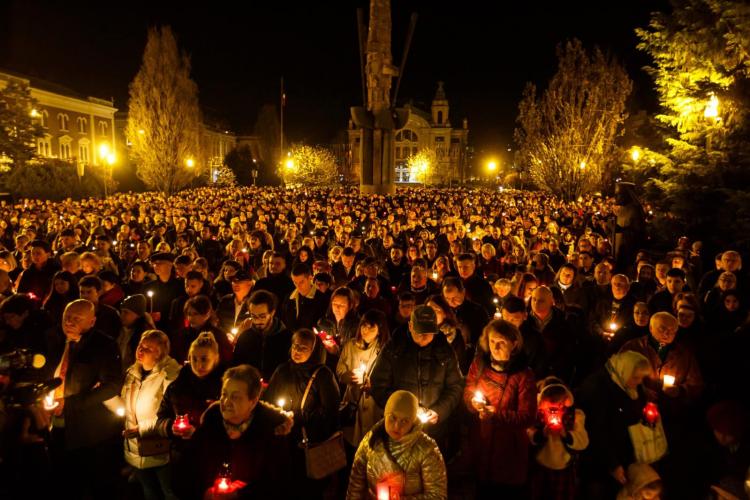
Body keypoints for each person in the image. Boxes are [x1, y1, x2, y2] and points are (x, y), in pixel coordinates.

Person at [42, 299, 123, 498]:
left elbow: (111, 386)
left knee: (87, 483)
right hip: (53, 424)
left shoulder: (104, 346)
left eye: (77, 319)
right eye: (67, 317)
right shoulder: (53, 338)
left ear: (92, 322)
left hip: (88, 431)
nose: (69, 322)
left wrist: (69, 404)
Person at [174, 364, 292, 499]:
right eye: (224, 394)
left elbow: (279, 484)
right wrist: (205, 493)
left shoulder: (272, 431)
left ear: (253, 402)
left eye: (235, 397)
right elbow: (183, 473)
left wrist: (239, 494)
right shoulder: (210, 425)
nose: (226, 402)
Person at [370, 305, 464, 448]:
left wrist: (439, 411)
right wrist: (403, 410)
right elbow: (378, 384)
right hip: (400, 428)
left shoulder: (445, 351)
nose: (424, 336)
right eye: (420, 331)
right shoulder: (394, 348)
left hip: (434, 432)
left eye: (429, 332)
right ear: (410, 326)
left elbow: (455, 386)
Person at [464, 319, 537, 499]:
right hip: (481, 441)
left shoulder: (523, 375)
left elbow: (527, 416)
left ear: (514, 344)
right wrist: (472, 403)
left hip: (508, 451)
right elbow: (468, 389)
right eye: (492, 341)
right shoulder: (479, 364)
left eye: (501, 342)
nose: (495, 347)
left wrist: (495, 414)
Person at [263, 328, 340, 498]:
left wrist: (299, 417)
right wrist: (278, 416)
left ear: (313, 350)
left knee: (307, 489)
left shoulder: (323, 375)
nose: (297, 351)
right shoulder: (282, 370)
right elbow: (268, 401)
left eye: (303, 348)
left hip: (310, 442)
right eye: (295, 346)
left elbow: (330, 411)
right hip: (284, 441)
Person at [576, 350, 655, 499]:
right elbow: (596, 430)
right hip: (598, 461)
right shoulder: (597, 387)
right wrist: (612, 464)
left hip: (620, 457)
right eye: (636, 377)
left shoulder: (627, 383)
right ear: (624, 369)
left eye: (641, 378)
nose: (639, 382)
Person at [346, 390, 447, 499]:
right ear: (385, 414)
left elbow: (437, 495)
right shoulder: (370, 441)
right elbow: (355, 486)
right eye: (392, 417)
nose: (397, 426)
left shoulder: (427, 449)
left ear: (413, 422)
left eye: (404, 421)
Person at [121, 330, 180, 500]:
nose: (141, 350)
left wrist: (143, 428)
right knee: (148, 491)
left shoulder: (169, 374)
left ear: (160, 354)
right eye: (141, 345)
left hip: (159, 446)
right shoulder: (132, 373)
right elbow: (126, 404)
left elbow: (169, 412)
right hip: (136, 447)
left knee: (168, 491)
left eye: (149, 348)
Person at [156, 332, 223, 446]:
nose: (198, 365)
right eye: (194, 359)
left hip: (211, 452)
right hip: (181, 453)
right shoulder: (176, 387)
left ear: (215, 358)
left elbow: (230, 426)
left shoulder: (224, 389)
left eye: (204, 359)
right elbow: (161, 418)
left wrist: (198, 433)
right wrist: (170, 427)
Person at [527, 377, 589, 500]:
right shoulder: (535, 415)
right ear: (543, 402)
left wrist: (566, 435)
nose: (554, 412)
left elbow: (583, 441)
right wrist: (542, 434)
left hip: (564, 468)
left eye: (559, 406)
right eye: (550, 407)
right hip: (541, 467)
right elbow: (528, 434)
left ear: (565, 401)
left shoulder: (575, 416)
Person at [337, 309, 389, 449]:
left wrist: (371, 383)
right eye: (364, 326)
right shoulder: (350, 346)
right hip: (353, 401)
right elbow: (340, 369)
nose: (366, 330)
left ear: (379, 330)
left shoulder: (384, 350)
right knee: (352, 443)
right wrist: (349, 376)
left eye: (371, 327)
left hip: (373, 405)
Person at [232, 290, 293, 381]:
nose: (257, 320)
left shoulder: (287, 337)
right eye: (254, 316)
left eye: (262, 316)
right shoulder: (245, 337)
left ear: (272, 312)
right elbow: (236, 366)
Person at [171, 295, 232, 364]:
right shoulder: (181, 334)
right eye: (189, 314)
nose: (190, 318)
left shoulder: (218, 335)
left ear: (207, 314)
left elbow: (224, 359)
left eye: (195, 314)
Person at [281, 263, 329, 331]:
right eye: (295, 282)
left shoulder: (322, 299)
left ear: (310, 278)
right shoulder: (289, 298)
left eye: (301, 282)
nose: (298, 286)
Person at [116, 294, 155, 372]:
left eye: (126, 312)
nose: (122, 315)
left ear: (137, 315)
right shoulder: (117, 329)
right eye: (122, 312)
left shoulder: (144, 336)